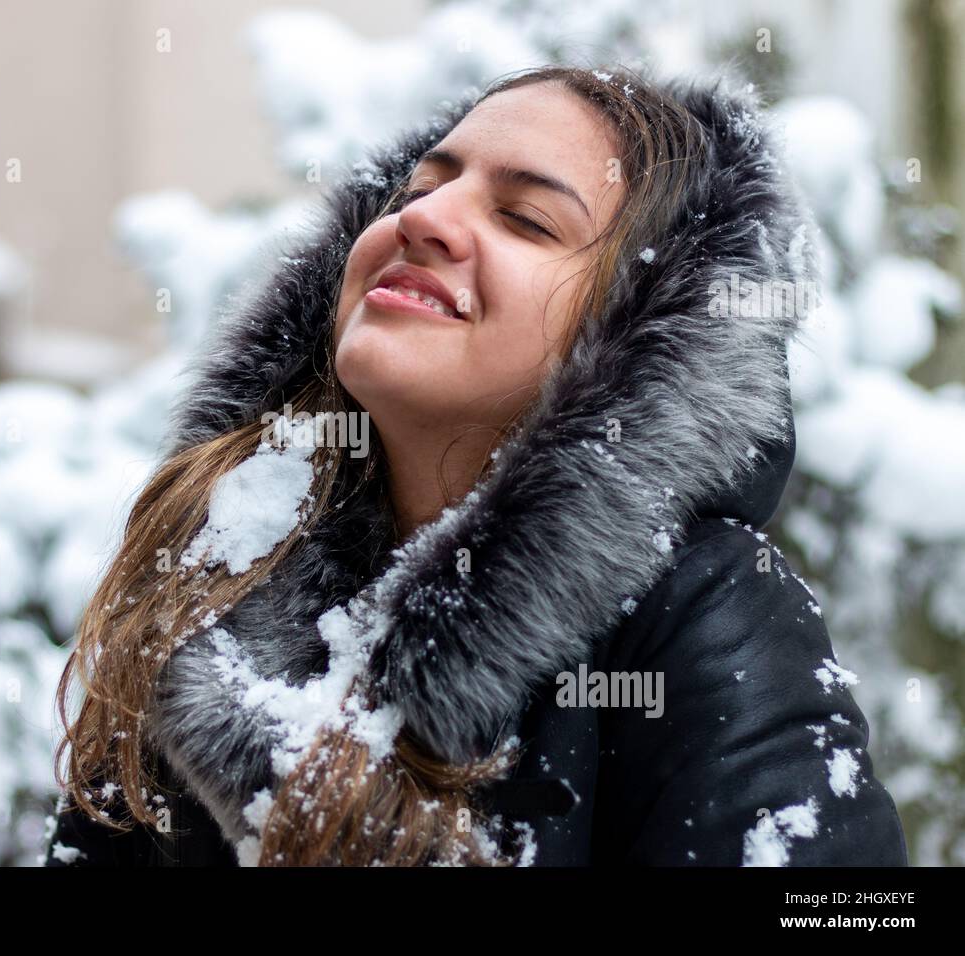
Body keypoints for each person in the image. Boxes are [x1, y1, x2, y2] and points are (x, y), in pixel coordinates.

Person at [45, 65, 908, 867]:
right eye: (419, 189)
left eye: (527, 218)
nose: (421, 219)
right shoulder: (214, 593)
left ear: (633, 342)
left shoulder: (704, 610)